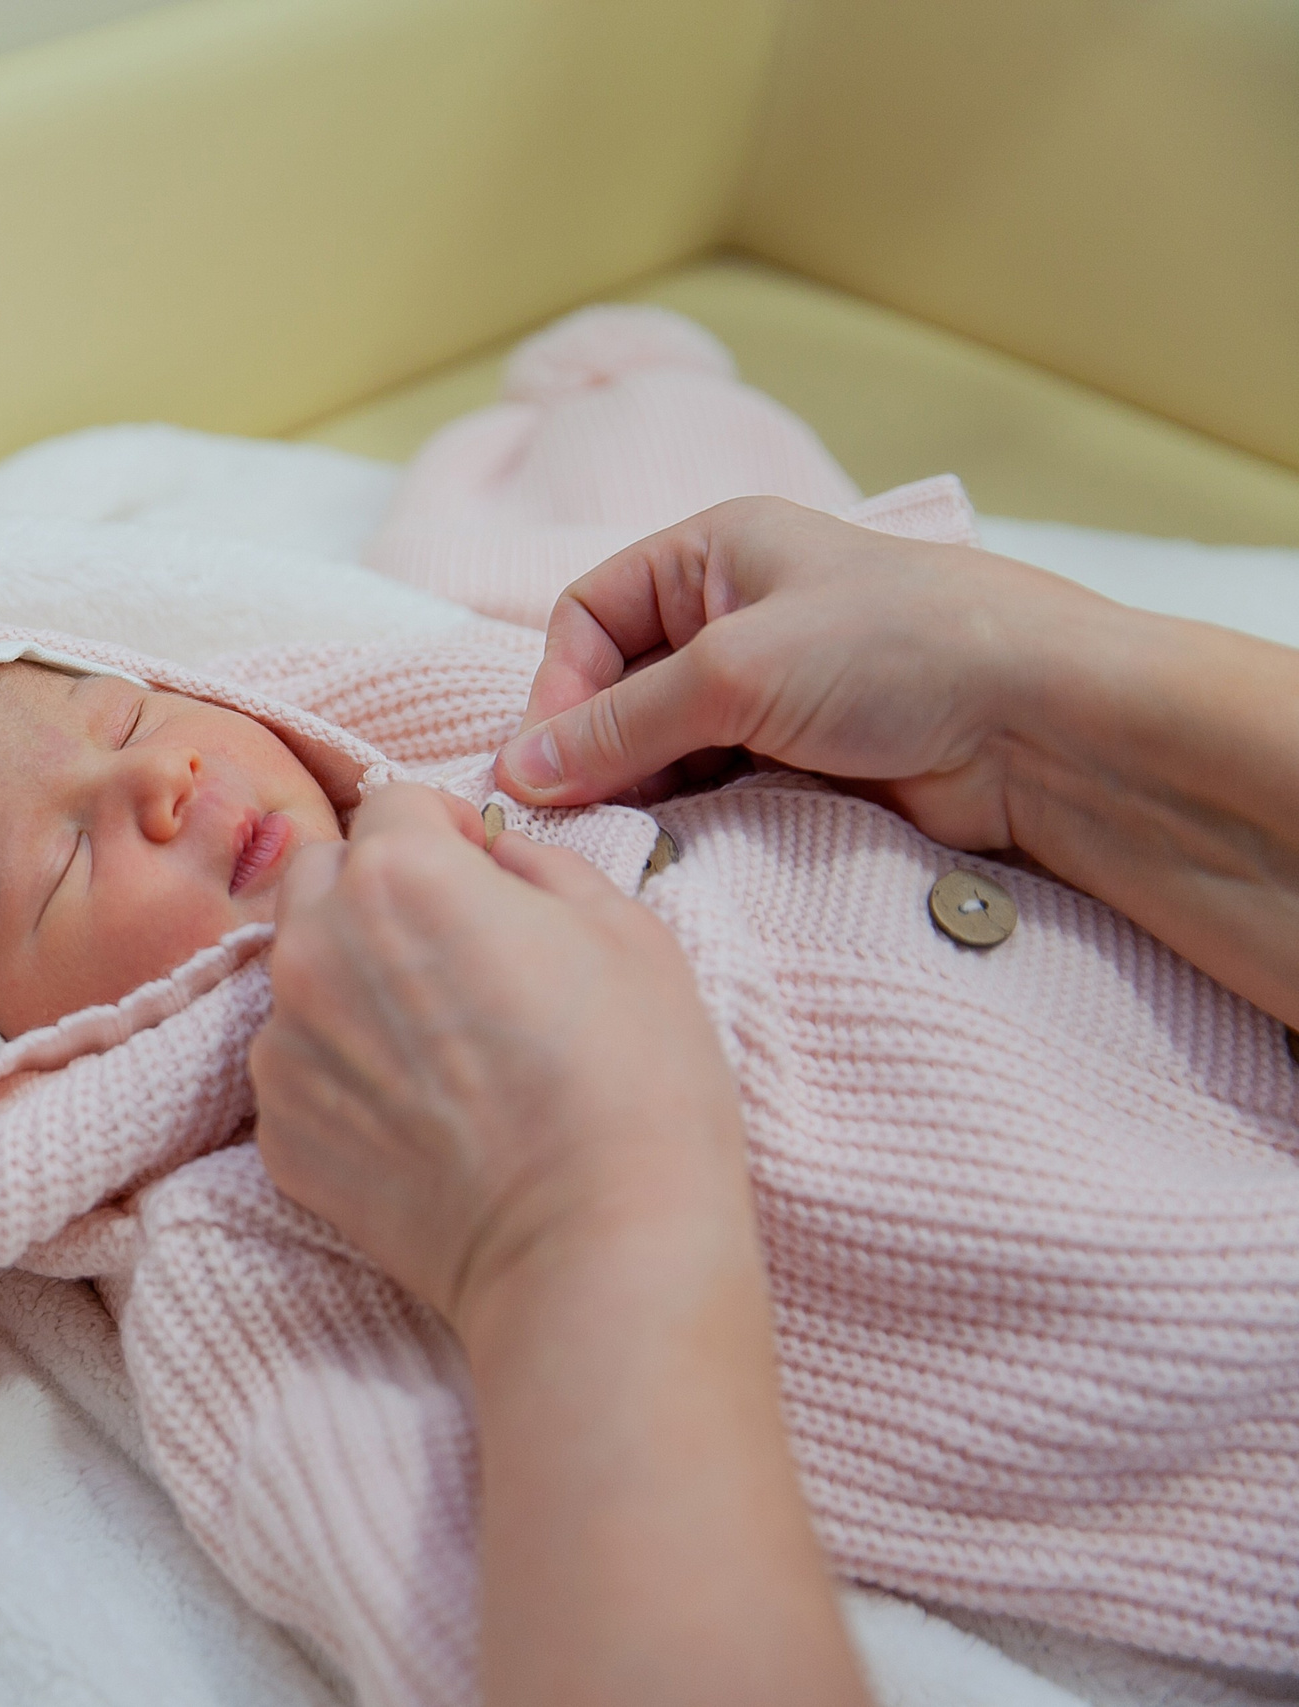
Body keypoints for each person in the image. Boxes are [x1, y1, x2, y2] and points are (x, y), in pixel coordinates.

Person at [248, 495, 1299, 1707]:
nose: (151, 787)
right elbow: (422, 1586)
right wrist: (1025, 723)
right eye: (69, 855)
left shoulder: (473, 741)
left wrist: (568, 1222)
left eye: (125, 715)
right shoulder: (244, 1230)